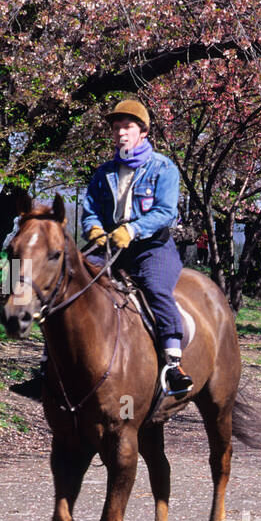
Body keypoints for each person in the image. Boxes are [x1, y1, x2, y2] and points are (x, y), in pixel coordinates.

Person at [81, 99, 193, 395]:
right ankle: (48, 363)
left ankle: (172, 364)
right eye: (116, 128)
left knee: (155, 288)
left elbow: (166, 212)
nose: (120, 133)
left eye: (127, 127)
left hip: (152, 248)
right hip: (110, 247)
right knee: (68, 283)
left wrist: (132, 229)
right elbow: (90, 208)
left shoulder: (163, 168)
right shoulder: (104, 172)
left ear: (143, 131)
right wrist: (92, 228)